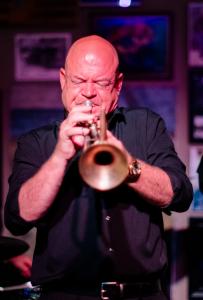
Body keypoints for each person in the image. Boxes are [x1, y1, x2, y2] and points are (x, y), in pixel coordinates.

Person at [4, 35, 193, 300]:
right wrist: (60, 156)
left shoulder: (146, 125)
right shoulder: (35, 143)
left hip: (141, 295)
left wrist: (125, 163)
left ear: (117, 85)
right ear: (63, 80)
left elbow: (181, 195)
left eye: (101, 83)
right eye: (79, 81)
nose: (89, 92)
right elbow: (17, 219)